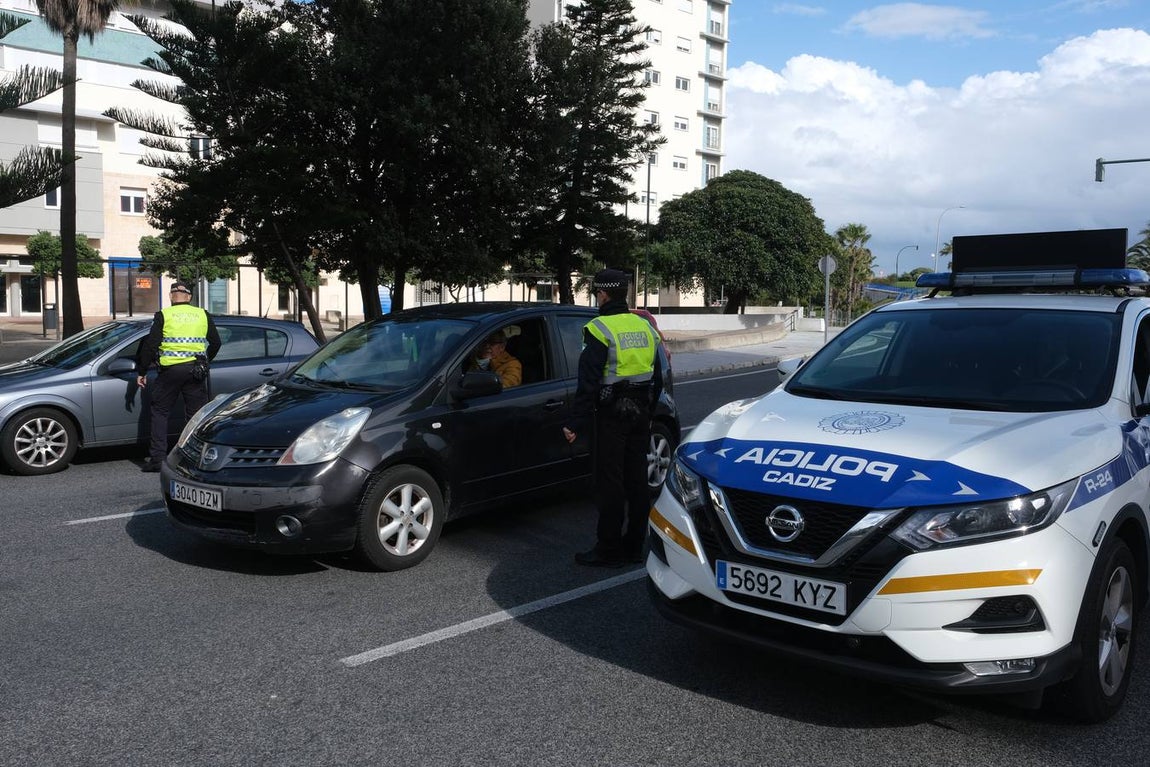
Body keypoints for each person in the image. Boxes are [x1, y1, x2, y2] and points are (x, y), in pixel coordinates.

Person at [563, 269, 664, 567]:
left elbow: (588, 382)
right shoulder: (644, 327)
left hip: (611, 414)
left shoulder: (598, 328)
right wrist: (647, 410)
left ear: (603, 294)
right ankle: (634, 546)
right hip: (640, 412)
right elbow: (657, 378)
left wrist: (575, 422)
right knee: (637, 481)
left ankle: (608, 549)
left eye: (597, 293)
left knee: (610, 483)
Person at [135, 280, 221, 472]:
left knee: (160, 412)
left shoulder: (164, 314)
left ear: (170, 297)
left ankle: (158, 459)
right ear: (189, 297)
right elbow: (215, 342)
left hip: (170, 372)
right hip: (196, 371)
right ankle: (194, 457)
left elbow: (151, 345)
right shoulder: (202, 314)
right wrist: (205, 360)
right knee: (195, 415)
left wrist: (141, 371)